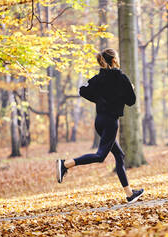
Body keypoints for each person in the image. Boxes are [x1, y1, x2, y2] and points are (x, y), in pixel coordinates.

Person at [56, 48, 144, 204]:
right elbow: (131, 101)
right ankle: (65, 164)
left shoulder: (98, 78)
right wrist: (129, 88)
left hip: (100, 121)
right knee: (100, 156)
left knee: (119, 155)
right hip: (111, 122)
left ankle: (130, 194)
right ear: (114, 60)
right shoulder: (121, 77)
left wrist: (99, 99)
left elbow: (82, 90)